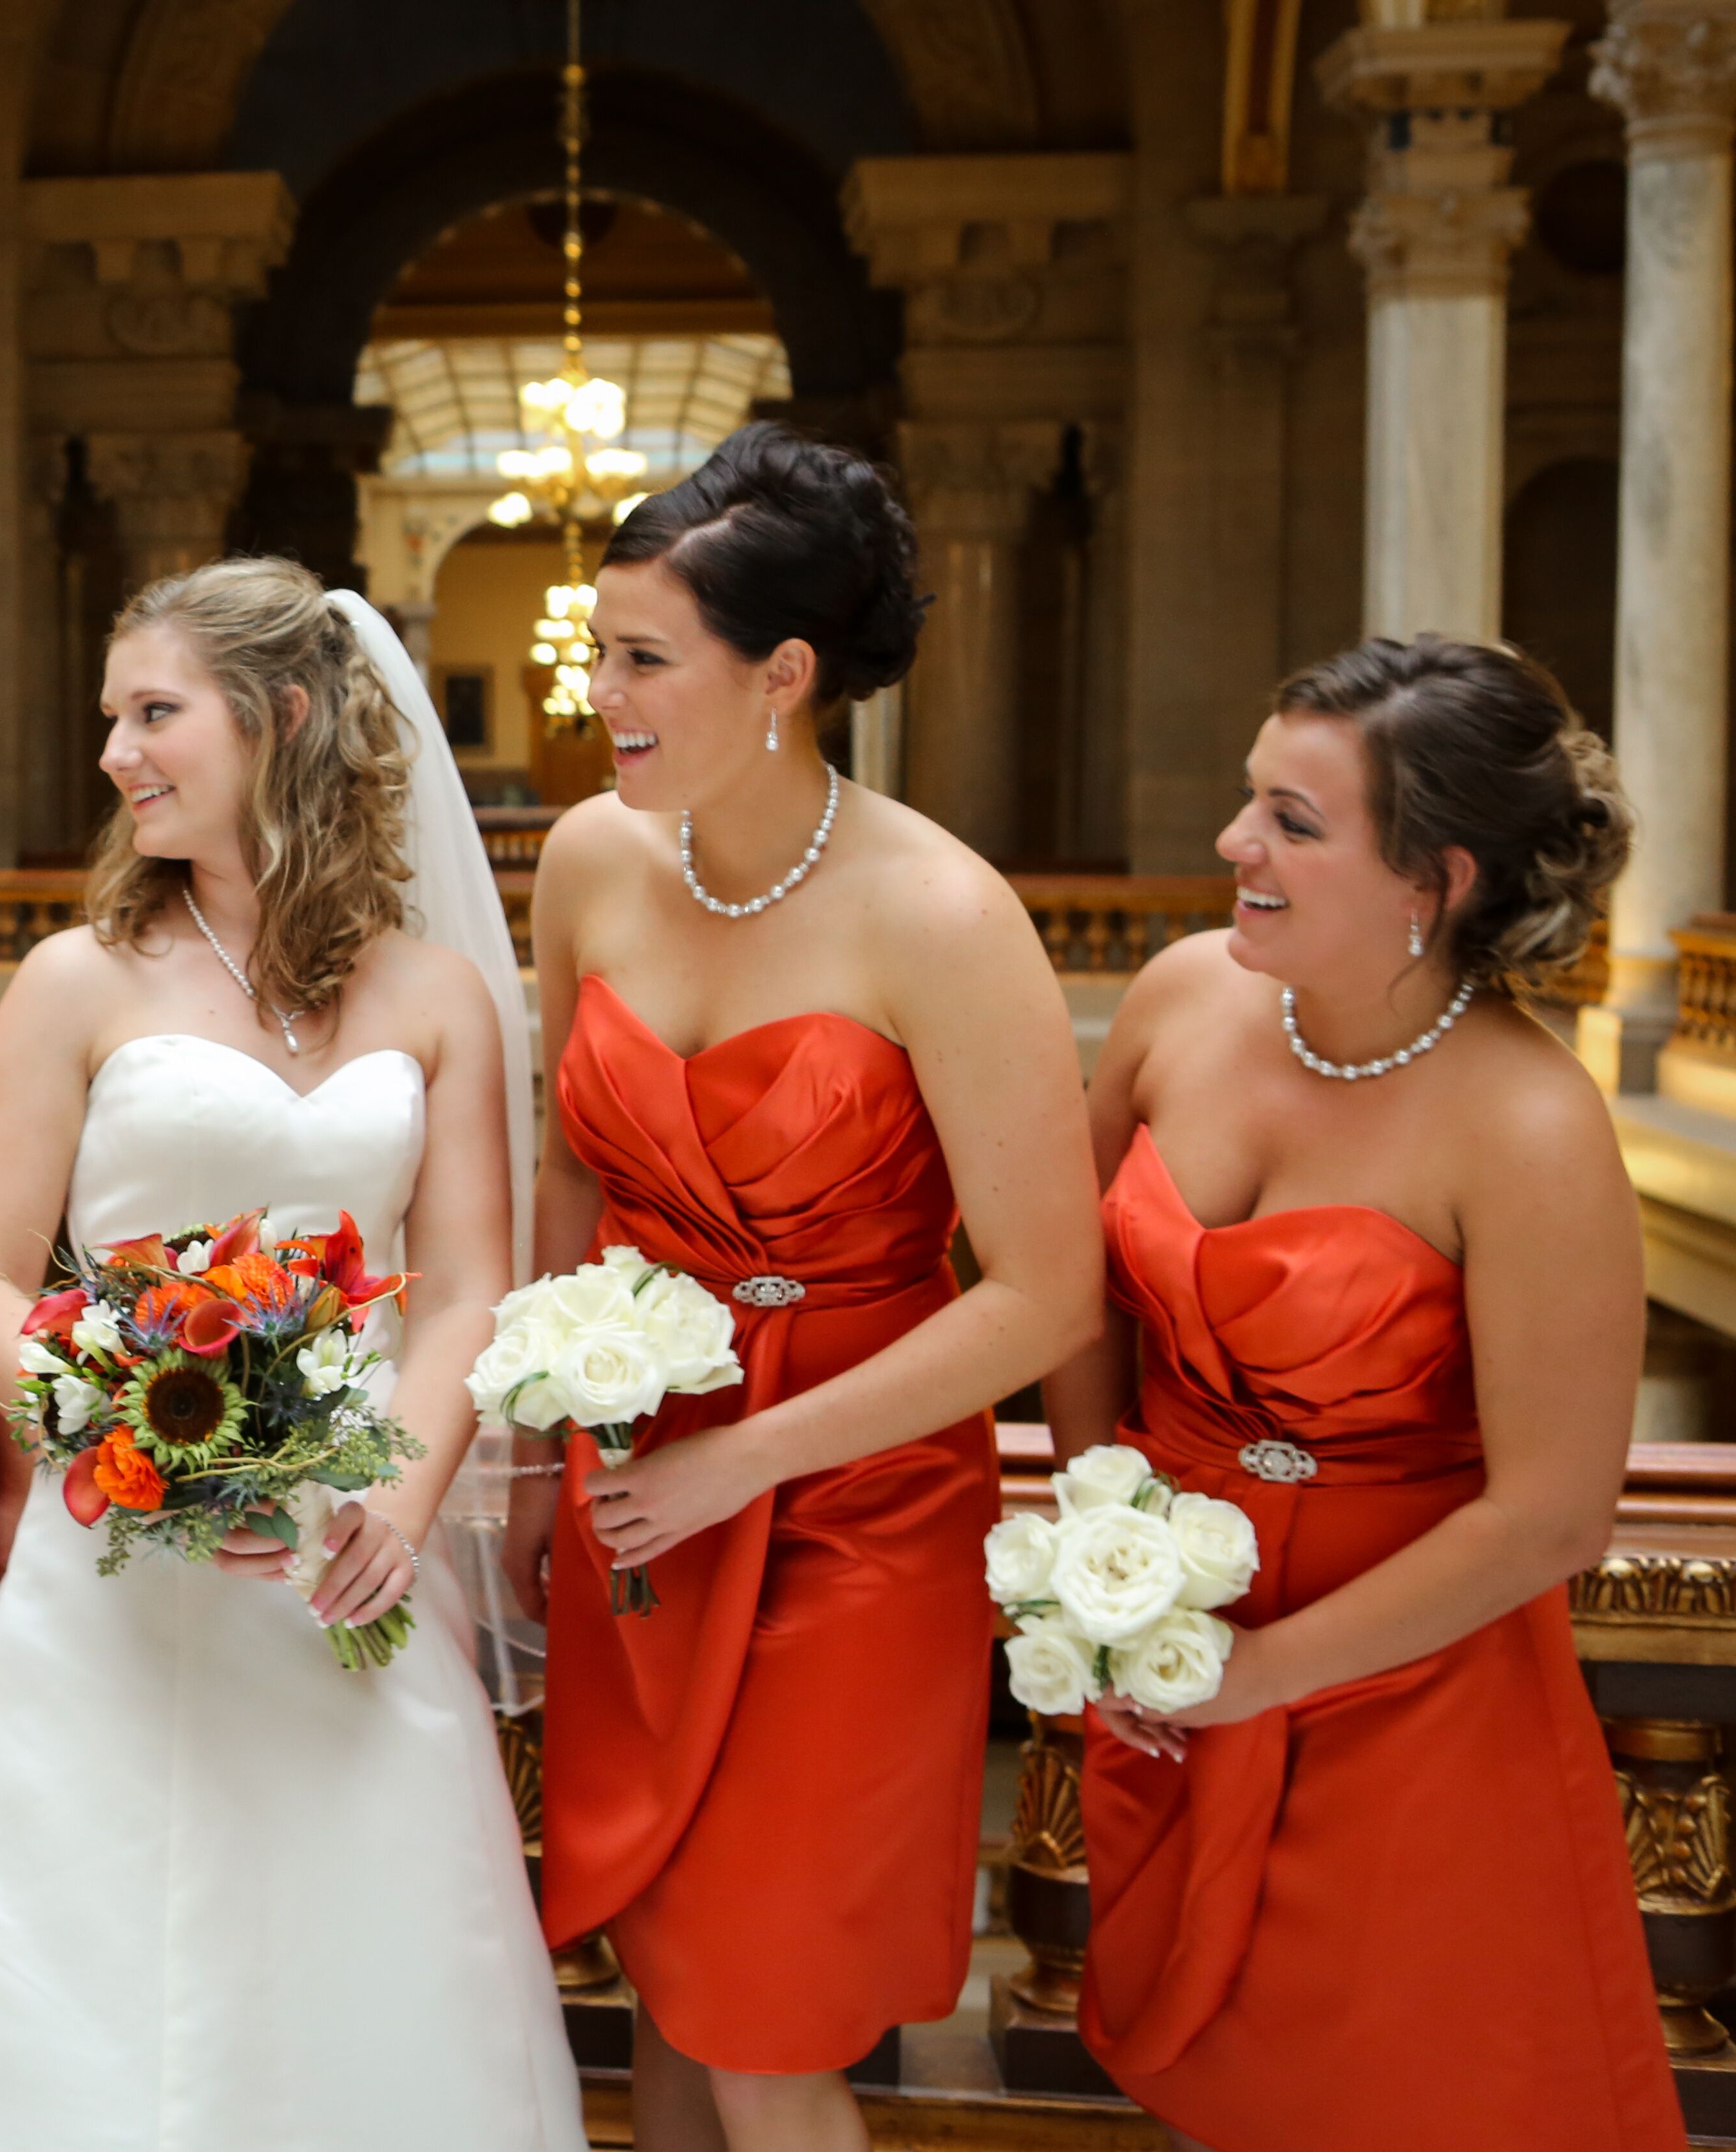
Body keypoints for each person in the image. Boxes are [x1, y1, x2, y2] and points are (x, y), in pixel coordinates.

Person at [0, 557, 585, 2152]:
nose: (116, 752)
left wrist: (401, 1497)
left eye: (154, 712)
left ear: (280, 718)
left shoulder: (438, 995)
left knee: (356, 1961)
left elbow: (461, 1292)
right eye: (114, 717)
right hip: (113, 1548)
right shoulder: (80, 980)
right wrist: (129, 1442)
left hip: (344, 1550)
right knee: (71, 1956)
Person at [515, 423, 1102, 2152]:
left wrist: (745, 1458)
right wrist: (548, 1406)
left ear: (780, 672)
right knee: (678, 1992)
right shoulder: (584, 861)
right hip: (630, 1481)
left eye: (639, 659)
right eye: (596, 646)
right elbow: (570, 1167)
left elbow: (1042, 1290)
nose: (598, 693)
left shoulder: (942, 912)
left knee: (768, 2010)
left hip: (853, 1503)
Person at [1045, 636, 1684, 2151]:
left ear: (1433, 881)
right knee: (1204, 2084)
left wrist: (1263, 1678)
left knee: (1392, 2095)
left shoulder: (1530, 1127)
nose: (1233, 845)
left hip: (1414, 1694)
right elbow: (1070, 1296)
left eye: (1291, 821)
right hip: (1168, 1652)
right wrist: (1104, 1549)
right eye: (1247, 800)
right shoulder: (1176, 998)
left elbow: (1547, 1519)